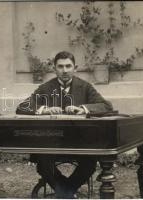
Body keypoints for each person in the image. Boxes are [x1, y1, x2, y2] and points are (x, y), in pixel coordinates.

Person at [16, 51, 113, 198]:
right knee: (43, 163)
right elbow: (22, 107)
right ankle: (67, 193)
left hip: (81, 143)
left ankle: (63, 193)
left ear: (75, 68)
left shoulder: (85, 87)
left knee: (90, 162)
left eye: (68, 66)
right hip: (51, 143)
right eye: (60, 66)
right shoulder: (46, 88)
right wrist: (44, 110)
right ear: (54, 68)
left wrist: (83, 109)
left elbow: (106, 106)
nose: (65, 70)